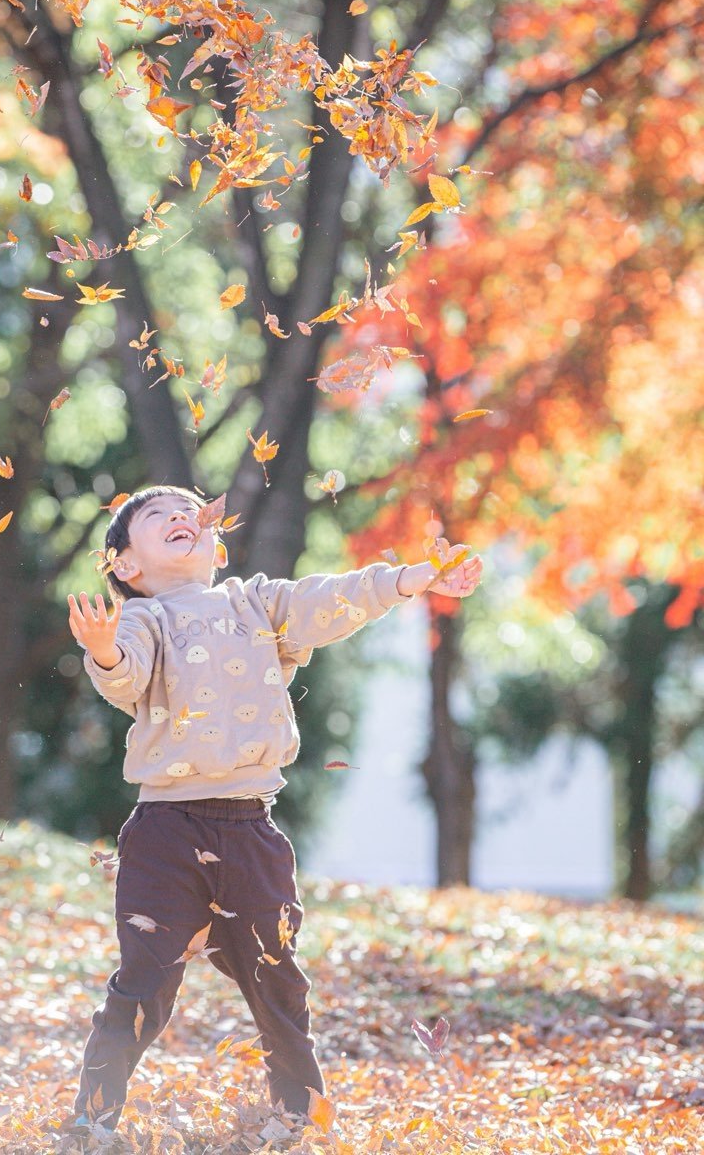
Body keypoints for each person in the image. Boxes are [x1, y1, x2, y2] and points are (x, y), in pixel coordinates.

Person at [66, 484, 482, 1136]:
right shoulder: (143, 620)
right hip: (166, 834)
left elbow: (330, 600)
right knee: (143, 987)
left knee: (276, 982)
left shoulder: (254, 602)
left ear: (216, 544)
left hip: (250, 830)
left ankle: (298, 1115)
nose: (179, 515)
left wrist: (413, 578)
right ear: (126, 566)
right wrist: (104, 650)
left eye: (188, 510)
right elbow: (126, 675)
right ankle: (90, 1122)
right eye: (155, 516)